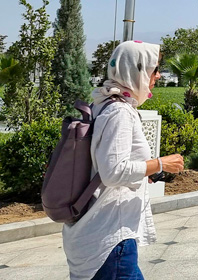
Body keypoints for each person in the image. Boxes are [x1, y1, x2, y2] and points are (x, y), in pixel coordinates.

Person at [62, 40, 185, 280]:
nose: (158, 76)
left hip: (98, 230)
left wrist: (144, 171)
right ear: (136, 70)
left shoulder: (102, 104)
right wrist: (161, 164)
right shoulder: (119, 112)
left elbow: (103, 164)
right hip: (110, 236)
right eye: (154, 68)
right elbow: (113, 171)